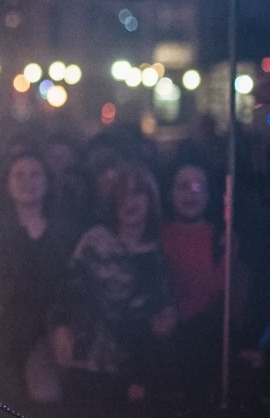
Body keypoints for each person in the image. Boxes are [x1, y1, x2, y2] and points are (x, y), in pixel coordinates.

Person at [49, 162, 176, 404]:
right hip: (88, 362)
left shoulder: (157, 252)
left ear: (150, 200)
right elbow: (67, 294)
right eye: (123, 195)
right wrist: (61, 330)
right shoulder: (94, 242)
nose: (130, 201)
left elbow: (161, 314)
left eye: (137, 193)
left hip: (136, 367)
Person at [0, 150, 77, 403]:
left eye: (35, 174)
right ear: (7, 183)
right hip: (3, 328)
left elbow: (71, 284)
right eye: (19, 175)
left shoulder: (63, 230)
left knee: (45, 397)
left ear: (47, 181)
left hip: (48, 329)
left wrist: (63, 326)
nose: (28, 182)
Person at [160, 161, 237, 402]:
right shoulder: (155, 234)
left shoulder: (223, 238)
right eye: (183, 186)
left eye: (198, 186)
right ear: (170, 193)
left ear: (209, 194)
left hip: (207, 348)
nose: (191, 194)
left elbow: (223, 296)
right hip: (163, 349)